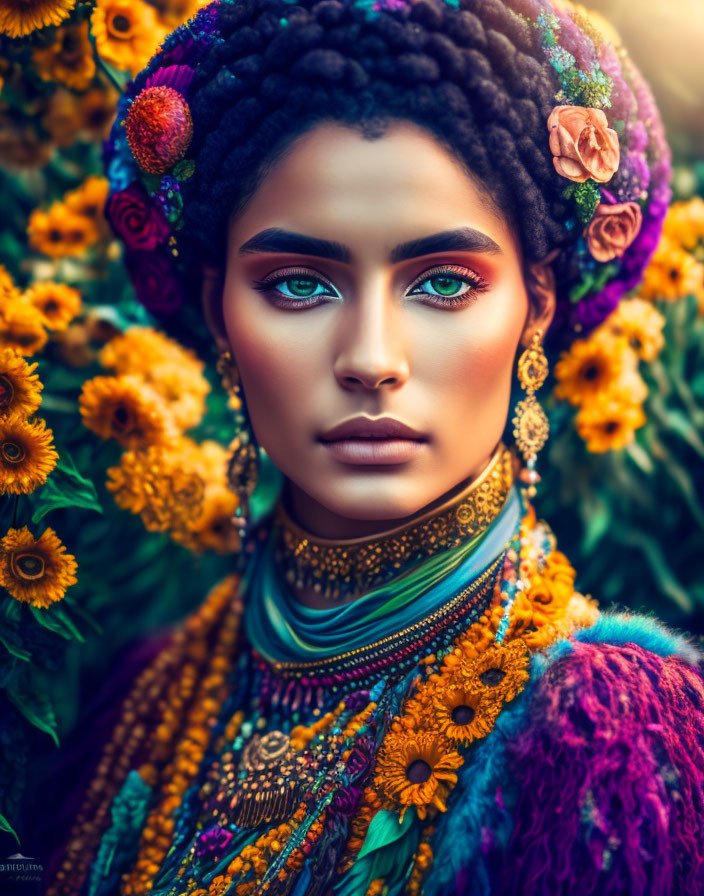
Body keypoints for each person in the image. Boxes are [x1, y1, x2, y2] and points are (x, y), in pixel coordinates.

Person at [40, 0, 704, 893]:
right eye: (300, 285)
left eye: (442, 282)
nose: (371, 361)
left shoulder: (607, 746)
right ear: (216, 312)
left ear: (535, 305)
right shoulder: (140, 699)